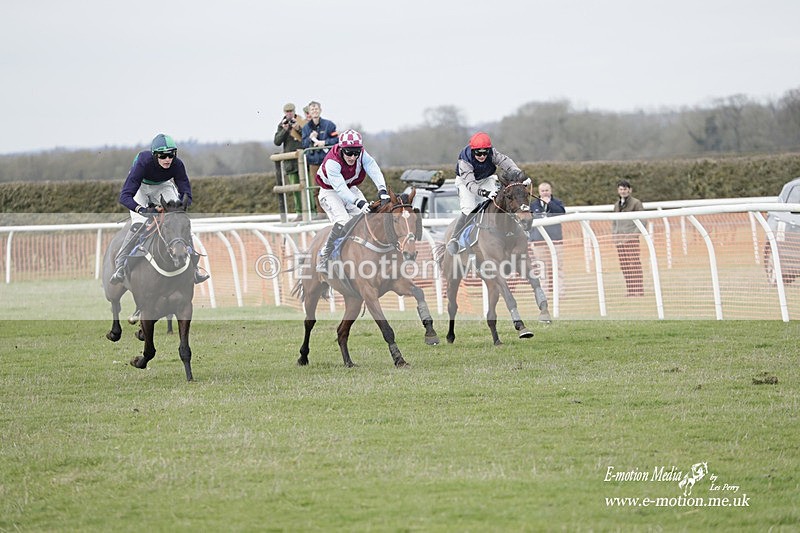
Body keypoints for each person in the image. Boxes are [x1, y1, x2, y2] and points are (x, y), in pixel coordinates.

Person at [109, 133, 209, 285]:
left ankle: (194, 269)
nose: (167, 159)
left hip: (163, 185)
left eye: (171, 155)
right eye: (162, 156)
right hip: (140, 187)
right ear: (155, 155)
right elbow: (125, 196)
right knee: (138, 225)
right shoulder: (143, 162)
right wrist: (142, 210)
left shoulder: (178, 165)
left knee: (178, 220)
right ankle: (120, 266)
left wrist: (181, 206)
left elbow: (186, 191)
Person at [314, 129, 390, 273]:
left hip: (349, 188)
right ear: (341, 149)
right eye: (349, 152)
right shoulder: (332, 162)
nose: (353, 157)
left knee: (367, 219)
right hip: (330, 191)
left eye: (356, 152)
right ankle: (325, 255)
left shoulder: (362, 154)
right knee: (344, 221)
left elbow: (373, 169)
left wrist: (382, 190)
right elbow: (340, 189)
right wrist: (359, 202)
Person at [446, 131, 526, 256]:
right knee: (469, 209)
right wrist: (484, 192)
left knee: (496, 202)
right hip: (466, 182)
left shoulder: (493, 153)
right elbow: (470, 184)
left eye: (485, 152)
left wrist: (519, 176)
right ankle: (454, 239)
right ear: (473, 151)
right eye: (479, 153)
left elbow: (507, 163)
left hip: (486, 178)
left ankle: (511, 230)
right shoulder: (465, 161)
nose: (482, 156)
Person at [529, 181, 566, 296]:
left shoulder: (557, 203)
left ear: (551, 191)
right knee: (542, 267)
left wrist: (550, 203)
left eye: (547, 190)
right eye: (542, 191)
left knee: (558, 266)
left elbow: (561, 213)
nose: (545, 193)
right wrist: (531, 239)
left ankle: (560, 291)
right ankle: (544, 291)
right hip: (539, 241)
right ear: (539, 192)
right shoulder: (533, 205)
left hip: (555, 240)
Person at [301, 101, 337, 216]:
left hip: (328, 161)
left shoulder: (329, 125)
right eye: (312, 109)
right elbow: (303, 144)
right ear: (309, 112)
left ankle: (335, 211)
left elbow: (336, 140)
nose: (314, 111)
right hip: (314, 162)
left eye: (316, 109)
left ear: (320, 110)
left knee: (332, 186)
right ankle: (321, 213)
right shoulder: (306, 128)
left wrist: (324, 142)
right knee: (316, 188)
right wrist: (310, 138)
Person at [273, 102, 307, 220]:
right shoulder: (282, 125)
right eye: (287, 112)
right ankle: (299, 213)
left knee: (307, 188)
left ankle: (310, 211)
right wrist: (285, 130)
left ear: (294, 111)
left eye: (291, 111)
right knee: (295, 190)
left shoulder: (301, 122)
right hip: (290, 163)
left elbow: (307, 138)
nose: (289, 114)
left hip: (303, 161)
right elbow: (277, 141)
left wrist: (298, 128)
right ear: (284, 112)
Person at [612, 179, 644, 296]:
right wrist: (615, 236)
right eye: (621, 189)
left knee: (634, 264)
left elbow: (643, 220)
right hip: (620, 240)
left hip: (631, 240)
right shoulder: (617, 205)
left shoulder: (636, 203)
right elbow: (614, 222)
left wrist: (633, 235)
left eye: (625, 189)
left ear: (629, 190)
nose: (623, 191)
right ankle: (630, 289)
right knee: (624, 265)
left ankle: (638, 290)